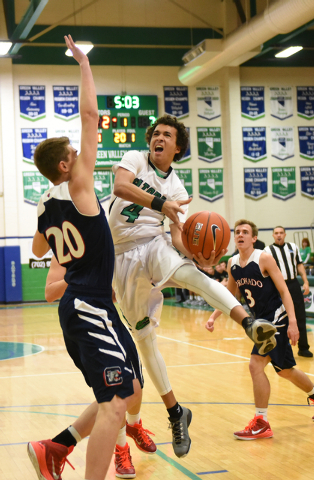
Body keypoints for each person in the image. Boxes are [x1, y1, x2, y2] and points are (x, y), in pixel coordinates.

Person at [108, 114, 277, 458]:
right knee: (144, 338)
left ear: (178, 147)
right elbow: (120, 188)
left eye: (167, 135)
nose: (159, 138)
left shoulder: (178, 188)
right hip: (120, 257)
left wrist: (198, 255)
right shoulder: (135, 160)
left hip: (153, 244)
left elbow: (175, 234)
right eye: (156, 133)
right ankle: (175, 412)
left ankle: (248, 321)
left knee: (190, 273)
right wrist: (160, 204)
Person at [28, 35, 144, 480]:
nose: (82, 154)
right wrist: (84, 63)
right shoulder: (79, 187)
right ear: (64, 166)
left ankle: (58, 446)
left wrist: (56, 229)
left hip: (91, 304)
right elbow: (91, 115)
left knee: (128, 387)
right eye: (75, 154)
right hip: (87, 303)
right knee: (116, 404)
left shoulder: (46, 204)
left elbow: (40, 250)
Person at [44, 255, 157, 478]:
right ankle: (120, 449)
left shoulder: (103, 239)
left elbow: (114, 292)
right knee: (115, 397)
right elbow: (49, 293)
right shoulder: (64, 248)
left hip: (109, 316)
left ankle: (133, 425)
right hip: (83, 319)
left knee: (134, 388)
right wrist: (77, 275)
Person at [206, 219, 314, 440]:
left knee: (255, 365)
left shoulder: (263, 257)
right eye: (237, 232)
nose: (240, 235)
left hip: (277, 320)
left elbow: (284, 291)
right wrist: (214, 316)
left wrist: (293, 323)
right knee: (285, 370)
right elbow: (230, 296)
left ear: (254, 238)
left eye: (245, 232)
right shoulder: (233, 263)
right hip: (260, 323)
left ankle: (262, 421)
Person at [265, 226, 313, 358]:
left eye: (281, 233)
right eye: (276, 233)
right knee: (279, 318)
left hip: (293, 284)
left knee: (300, 315)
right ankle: (280, 349)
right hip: (277, 286)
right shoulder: (267, 251)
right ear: (273, 235)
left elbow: (299, 265)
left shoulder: (293, 247)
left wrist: (306, 281)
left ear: (285, 234)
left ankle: (303, 348)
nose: (279, 235)